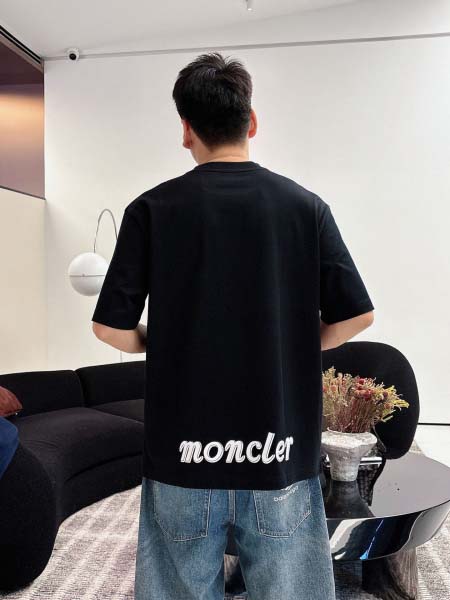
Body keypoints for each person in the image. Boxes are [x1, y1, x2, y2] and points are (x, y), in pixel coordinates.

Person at [91, 51, 374, 600]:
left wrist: (159, 341)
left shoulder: (151, 209)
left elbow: (109, 329)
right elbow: (357, 314)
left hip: (182, 457)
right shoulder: (304, 207)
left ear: (185, 129)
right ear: (252, 122)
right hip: (278, 454)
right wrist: (298, 343)